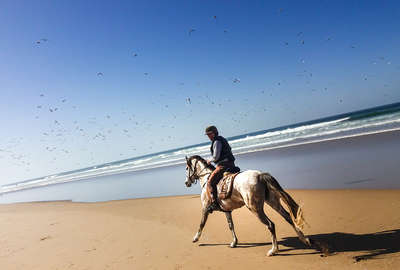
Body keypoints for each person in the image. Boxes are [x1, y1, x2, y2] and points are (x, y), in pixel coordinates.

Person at [205, 125, 237, 212]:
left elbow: (215, 157)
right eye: (207, 134)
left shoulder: (216, 142)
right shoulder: (222, 139)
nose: (208, 136)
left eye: (210, 134)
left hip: (223, 165)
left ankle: (214, 204)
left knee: (210, 182)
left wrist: (209, 160)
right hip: (231, 164)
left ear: (214, 133)